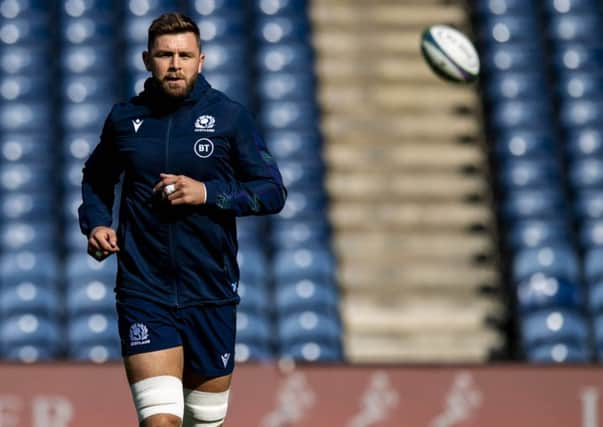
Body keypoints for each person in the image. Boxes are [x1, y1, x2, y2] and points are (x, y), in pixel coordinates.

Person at [78, 12, 287, 427]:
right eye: (165, 55)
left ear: (201, 60)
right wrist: (98, 223)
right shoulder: (124, 119)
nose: (175, 64)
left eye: (184, 55)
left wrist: (207, 193)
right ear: (146, 60)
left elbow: (272, 192)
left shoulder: (230, 117)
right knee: (162, 422)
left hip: (211, 291)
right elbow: (96, 178)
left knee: (202, 422)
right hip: (144, 289)